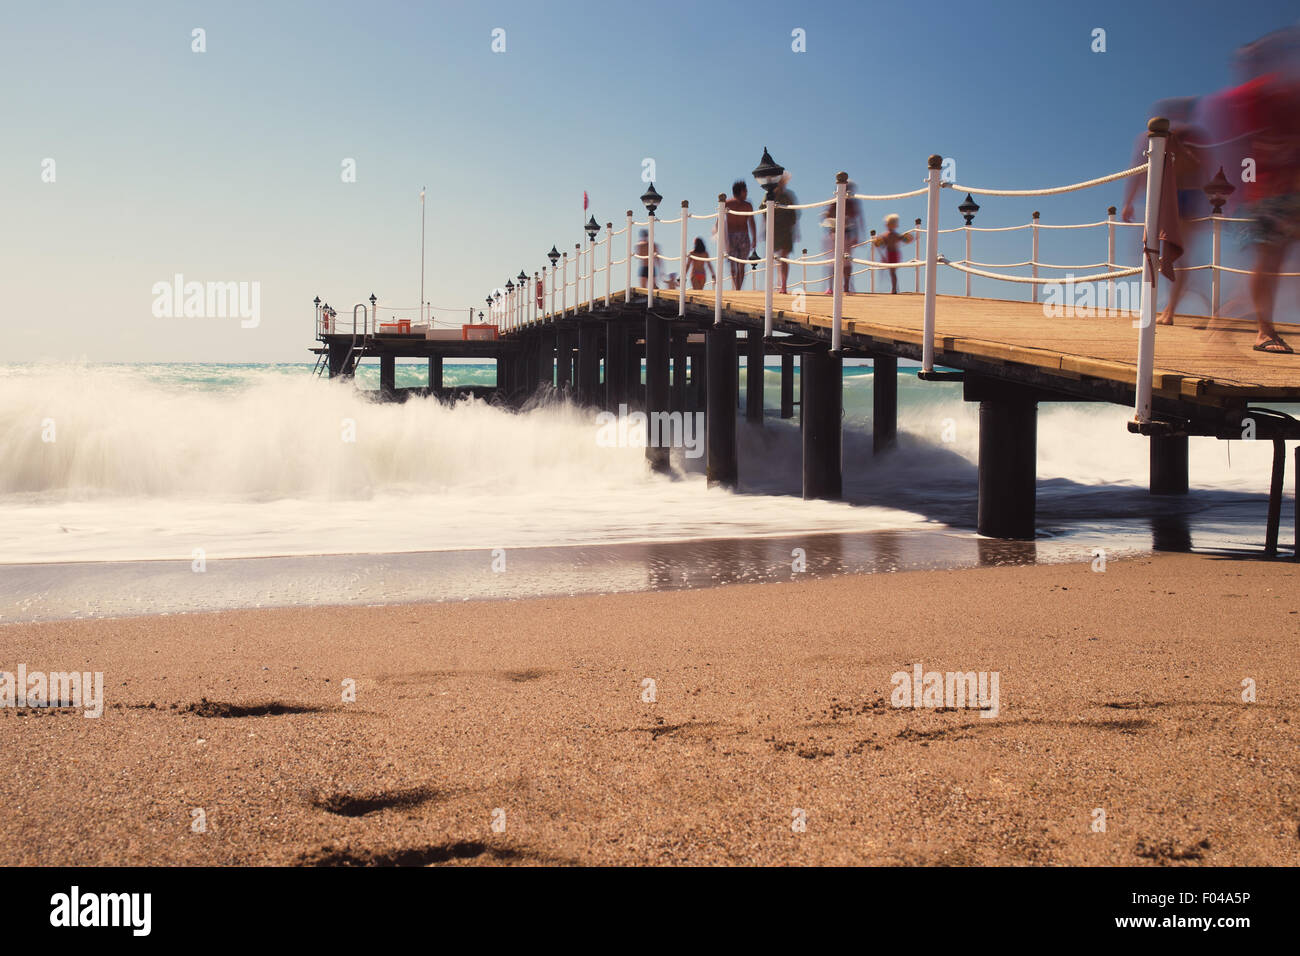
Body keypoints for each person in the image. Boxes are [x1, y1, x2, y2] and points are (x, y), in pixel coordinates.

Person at [725, 180, 757, 289]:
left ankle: (738, 288)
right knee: (735, 264)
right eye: (745, 190)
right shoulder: (727, 203)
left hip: (740, 236)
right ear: (741, 191)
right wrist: (754, 237)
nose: (747, 193)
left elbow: (751, 221)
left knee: (739, 264)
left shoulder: (747, 205)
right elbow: (719, 219)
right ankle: (737, 287)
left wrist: (754, 237)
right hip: (734, 236)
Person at [873, 214, 915, 294]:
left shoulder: (889, 235)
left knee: (892, 272)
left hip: (893, 254)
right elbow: (906, 239)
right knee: (892, 272)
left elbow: (879, 245)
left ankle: (894, 289)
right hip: (890, 253)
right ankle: (894, 288)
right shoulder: (890, 235)